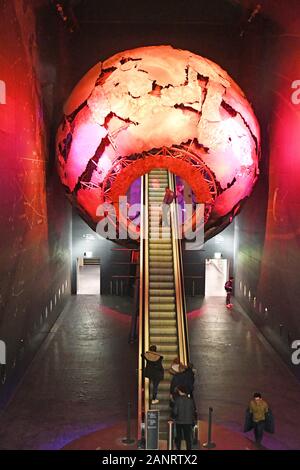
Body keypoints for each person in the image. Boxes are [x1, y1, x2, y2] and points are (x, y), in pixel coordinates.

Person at [173, 386, 197, 450]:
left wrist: (174, 417)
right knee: (188, 437)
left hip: (179, 421)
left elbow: (175, 411)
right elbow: (193, 411)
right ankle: (189, 449)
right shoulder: (191, 400)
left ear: (180, 391)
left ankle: (178, 448)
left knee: (179, 437)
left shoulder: (177, 400)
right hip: (188, 421)